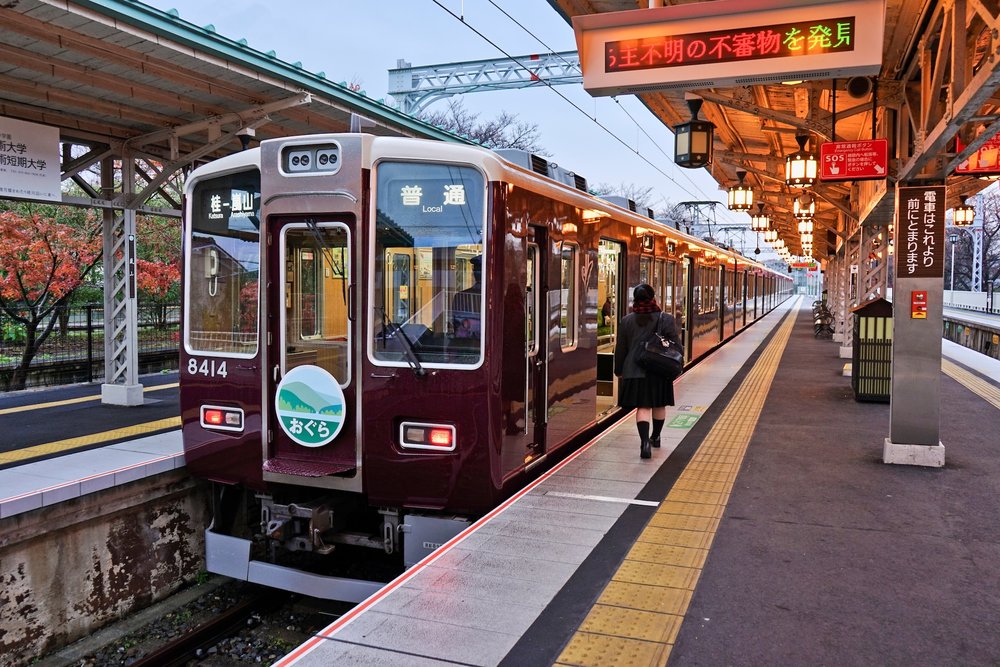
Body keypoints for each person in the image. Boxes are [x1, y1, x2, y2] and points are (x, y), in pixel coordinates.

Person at [613, 283, 682, 459]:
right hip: (659, 369)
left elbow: (621, 349)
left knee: (642, 407)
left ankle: (644, 443)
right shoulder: (665, 318)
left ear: (635, 300)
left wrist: (619, 370)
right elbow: (676, 346)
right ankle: (656, 437)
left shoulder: (627, 320)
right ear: (653, 298)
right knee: (659, 404)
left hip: (635, 370)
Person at [452, 255, 482, 338]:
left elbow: (456, 327)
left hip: (465, 345)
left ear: (473, 273)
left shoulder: (460, 296)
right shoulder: (497, 299)